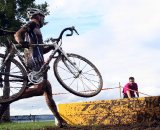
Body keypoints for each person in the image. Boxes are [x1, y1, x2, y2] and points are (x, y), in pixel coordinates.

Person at [0, 8, 67, 128]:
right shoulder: (32, 24)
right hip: (33, 60)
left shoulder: (36, 30)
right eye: (43, 17)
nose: (43, 20)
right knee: (40, 89)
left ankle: (60, 120)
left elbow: (40, 50)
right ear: (38, 16)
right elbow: (18, 34)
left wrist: (51, 47)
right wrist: (20, 41)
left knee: (47, 88)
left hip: (38, 61)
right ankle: (9, 98)